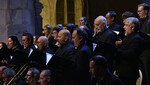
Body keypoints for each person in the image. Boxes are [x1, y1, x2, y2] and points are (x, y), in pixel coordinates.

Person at [116, 17, 143, 85]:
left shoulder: (136, 38)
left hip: (128, 74)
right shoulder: (128, 37)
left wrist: (116, 52)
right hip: (123, 72)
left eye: (126, 25)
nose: (124, 27)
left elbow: (131, 54)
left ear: (133, 27)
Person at [137, 3, 150, 85]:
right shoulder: (141, 22)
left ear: (146, 11)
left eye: (140, 11)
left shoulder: (149, 22)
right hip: (141, 52)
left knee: (148, 76)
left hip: (147, 53)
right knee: (143, 77)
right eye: (137, 11)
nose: (138, 13)